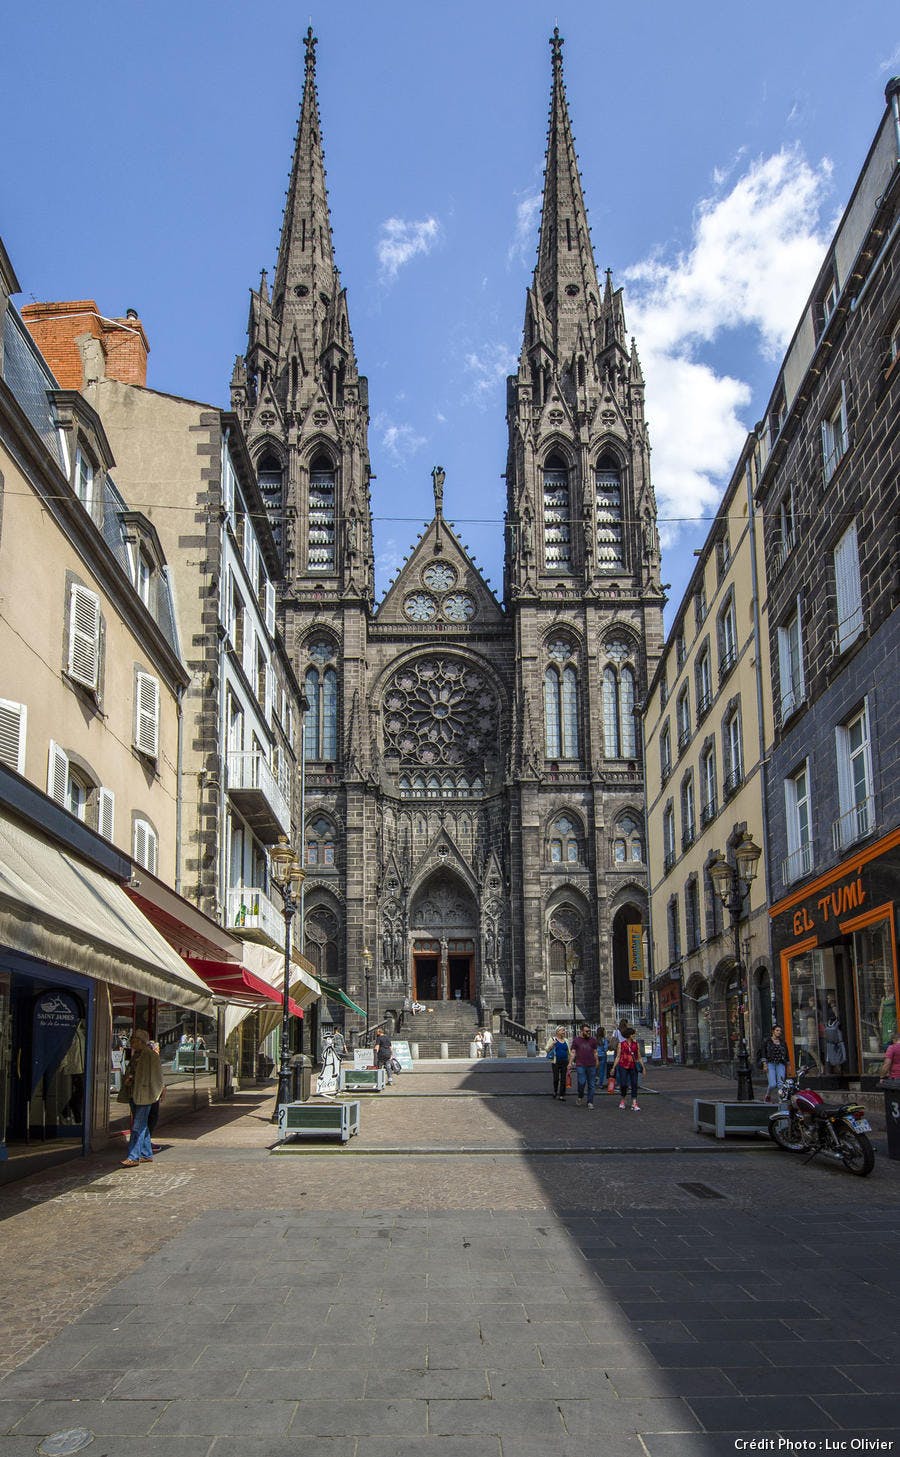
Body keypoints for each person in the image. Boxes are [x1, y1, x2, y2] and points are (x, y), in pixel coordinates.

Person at [121, 1029, 164, 1167]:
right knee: (142, 1125)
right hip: (134, 1094)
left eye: (133, 1039)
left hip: (145, 1096)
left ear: (141, 1041)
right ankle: (146, 1154)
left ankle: (133, 1156)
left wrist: (155, 1094)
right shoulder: (136, 1055)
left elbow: (158, 1078)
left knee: (137, 1126)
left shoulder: (150, 1055)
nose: (131, 1042)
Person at [613, 1025, 643, 1111]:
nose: (634, 1035)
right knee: (623, 1084)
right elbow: (618, 1056)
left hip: (633, 1066)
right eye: (633, 1034)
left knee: (634, 1083)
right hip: (623, 1065)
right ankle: (623, 1099)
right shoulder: (621, 1044)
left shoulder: (635, 1044)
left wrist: (643, 1067)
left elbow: (639, 1057)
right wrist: (614, 1067)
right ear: (629, 1035)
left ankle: (634, 1102)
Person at [569, 1023, 599, 1108]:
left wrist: (597, 1060)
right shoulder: (576, 1040)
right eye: (586, 1031)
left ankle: (590, 1102)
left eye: (589, 1031)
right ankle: (580, 1095)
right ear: (581, 1031)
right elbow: (573, 1052)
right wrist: (570, 1063)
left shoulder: (593, 1040)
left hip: (591, 1064)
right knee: (581, 1082)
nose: (588, 1033)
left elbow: (595, 1052)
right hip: (580, 1064)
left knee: (592, 1084)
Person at [760, 1025, 789, 1102]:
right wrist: (764, 1064)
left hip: (780, 1063)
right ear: (773, 1031)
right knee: (772, 1084)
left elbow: (787, 1054)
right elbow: (763, 1053)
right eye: (777, 1030)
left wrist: (788, 1065)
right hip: (770, 1063)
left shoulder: (782, 1042)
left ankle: (781, 1100)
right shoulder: (767, 1041)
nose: (779, 1032)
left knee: (781, 1084)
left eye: (780, 1031)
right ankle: (768, 1094)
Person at [545, 1026, 570, 1101]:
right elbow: (546, 1049)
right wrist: (552, 1044)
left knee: (563, 1079)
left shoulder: (566, 1040)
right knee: (556, 1078)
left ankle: (562, 1095)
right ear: (557, 1032)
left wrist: (570, 1062)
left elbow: (569, 1051)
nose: (564, 1032)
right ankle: (555, 1091)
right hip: (555, 1061)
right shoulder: (552, 1039)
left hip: (565, 1061)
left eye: (564, 1030)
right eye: (562, 1030)